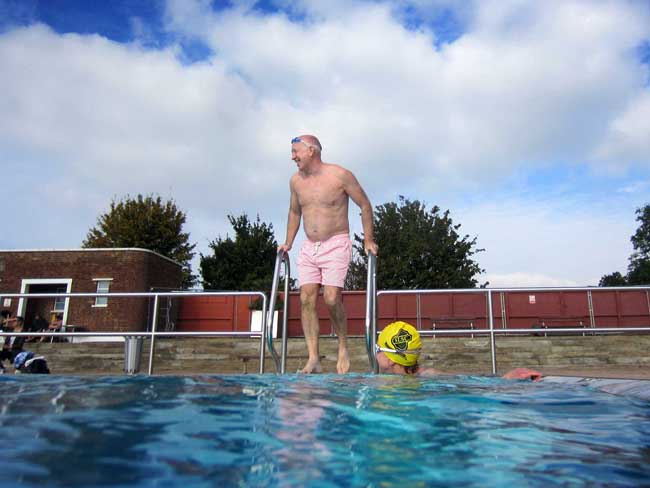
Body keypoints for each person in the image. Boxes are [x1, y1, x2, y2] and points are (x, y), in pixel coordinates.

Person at [278, 135, 378, 374]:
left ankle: (343, 346)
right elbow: (294, 212)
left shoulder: (340, 175)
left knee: (331, 298)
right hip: (309, 246)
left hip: (336, 242)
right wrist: (288, 243)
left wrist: (368, 239)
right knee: (305, 298)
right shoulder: (295, 182)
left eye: (295, 151)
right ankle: (313, 358)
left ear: (311, 150)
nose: (292, 157)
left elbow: (364, 204)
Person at [375, 321, 543, 381]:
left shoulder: (384, 383)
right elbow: (467, 381)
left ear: (390, 359)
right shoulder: (428, 374)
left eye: (378, 348)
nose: (375, 352)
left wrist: (505, 379)